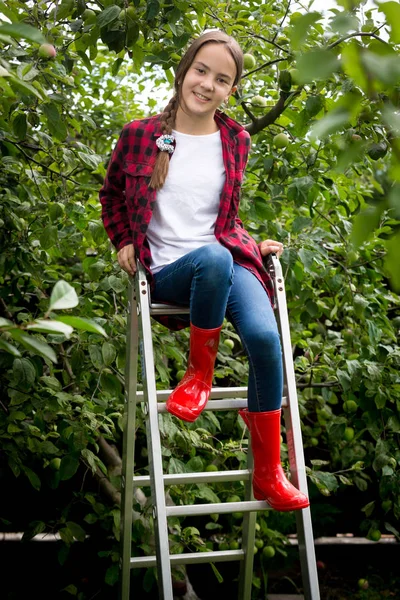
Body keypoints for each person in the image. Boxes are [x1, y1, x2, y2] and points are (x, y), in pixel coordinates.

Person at [99, 30, 309, 512]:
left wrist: (253, 243)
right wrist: (124, 240)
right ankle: (199, 374)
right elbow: (111, 196)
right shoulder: (140, 134)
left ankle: (268, 474)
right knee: (211, 259)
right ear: (184, 70)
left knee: (264, 338)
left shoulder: (236, 139)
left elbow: (219, 219)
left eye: (222, 79)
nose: (207, 84)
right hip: (172, 270)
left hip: (225, 258)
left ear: (230, 89)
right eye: (201, 71)